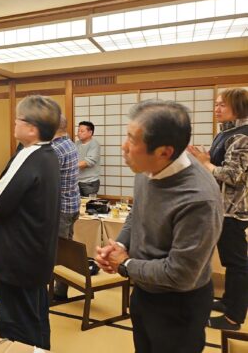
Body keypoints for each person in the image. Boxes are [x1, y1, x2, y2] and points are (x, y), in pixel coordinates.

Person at [95, 100, 222, 353]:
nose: (123, 146)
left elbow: (180, 274)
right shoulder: (147, 168)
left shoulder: (198, 198)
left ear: (164, 152)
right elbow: (137, 213)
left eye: (132, 140)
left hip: (179, 305)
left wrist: (125, 264)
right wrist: (118, 245)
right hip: (144, 290)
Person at [0, 95, 61, 349]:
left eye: (18, 120)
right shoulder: (49, 155)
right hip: (36, 252)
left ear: (32, 128)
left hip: (18, 253)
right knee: (35, 314)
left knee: (15, 319)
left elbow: (3, 193)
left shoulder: (29, 154)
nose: (14, 124)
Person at [188, 88, 248, 331]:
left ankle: (234, 317)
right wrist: (205, 160)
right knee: (230, 261)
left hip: (234, 209)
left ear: (239, 107)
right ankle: (228, 301)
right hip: (220, 207)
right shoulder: (226, 132)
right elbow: (217, 166)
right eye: (216, 104)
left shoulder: (242, 136)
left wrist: (206, 163)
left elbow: (234, 176)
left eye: (222, 104)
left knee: (237, 263)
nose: (217, 109)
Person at [51, 114, 80, 300]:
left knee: (59, 250)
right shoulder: (70, 143)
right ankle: (61, 288)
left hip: (61, 207)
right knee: (65, 247)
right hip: (72, 204)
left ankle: (59, 291)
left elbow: (48, 180)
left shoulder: (56, 149)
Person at [75, 121, 101, 196]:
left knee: (90, 203)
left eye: (82, 131)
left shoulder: (94, 144)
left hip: (90, 182)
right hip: (77, 181)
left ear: (90, 132)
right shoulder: (77, 143)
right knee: (78, 202)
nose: (79, 133)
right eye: (78, 131)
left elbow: (89, 162)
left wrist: (70, 165)